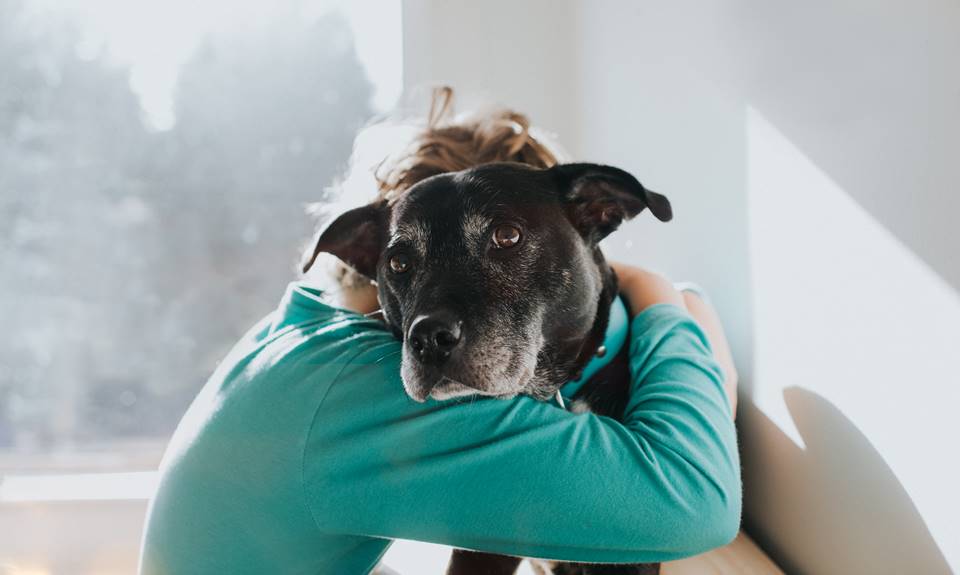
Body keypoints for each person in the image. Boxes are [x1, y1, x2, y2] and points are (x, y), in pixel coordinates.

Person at [138, 89, 741, 575]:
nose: (438, 308)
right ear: (367, 253)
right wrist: (663, 298)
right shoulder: (361, 385)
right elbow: (697, 503)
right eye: (405, 263)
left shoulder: (300, 338)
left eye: (503, 242)